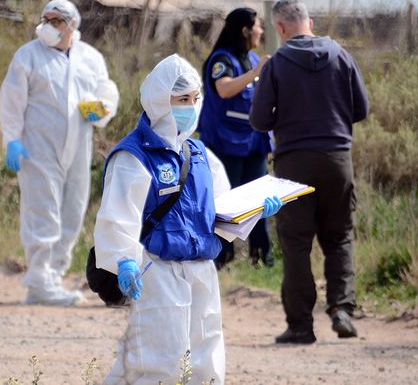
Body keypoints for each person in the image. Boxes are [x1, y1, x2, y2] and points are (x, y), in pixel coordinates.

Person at [93, 54, 282, 384]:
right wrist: (125, 261)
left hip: (202, 270)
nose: (191, 107)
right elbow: (117, 215)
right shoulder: (133, 156)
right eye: (182, 100)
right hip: (157, 271)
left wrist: (252, 212)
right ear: (159, 101)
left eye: (195, 98)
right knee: (157, 362)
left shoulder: (200, 154)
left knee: (206, 360)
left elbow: (221, 214)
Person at [250, 0, 369, 344]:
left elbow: (259, 120)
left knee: (296, 243)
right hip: (337, 158)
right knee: (339, 237)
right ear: (310, 22)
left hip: (293, 162)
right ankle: (342, 308)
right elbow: (361, 109)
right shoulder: (341, 56)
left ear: (280, 27)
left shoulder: (277, 64)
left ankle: (301, 326)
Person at [0, 0, 119, 306]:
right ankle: (39, 279)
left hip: (78, 147)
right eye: (45, 20)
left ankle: (53, 277)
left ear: (72, 24)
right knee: (43, 212)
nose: (47, 26)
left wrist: (101, 110)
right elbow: (11, 101)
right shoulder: (28, 56)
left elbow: (106, 92)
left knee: (72, 212)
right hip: (38, 148)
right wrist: (12, 139)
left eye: (55, 21)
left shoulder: (90, 58)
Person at [198, 7, 274, 269]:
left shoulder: (252, 58)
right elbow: (224, 89)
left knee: (259, 200)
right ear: (245, 30)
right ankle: (222, 258)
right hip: (225, 143)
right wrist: (255, 73)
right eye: (258, 26)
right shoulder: (222, 60)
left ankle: (262, 258)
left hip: (253, 142)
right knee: (225, 202)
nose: (261, 31)